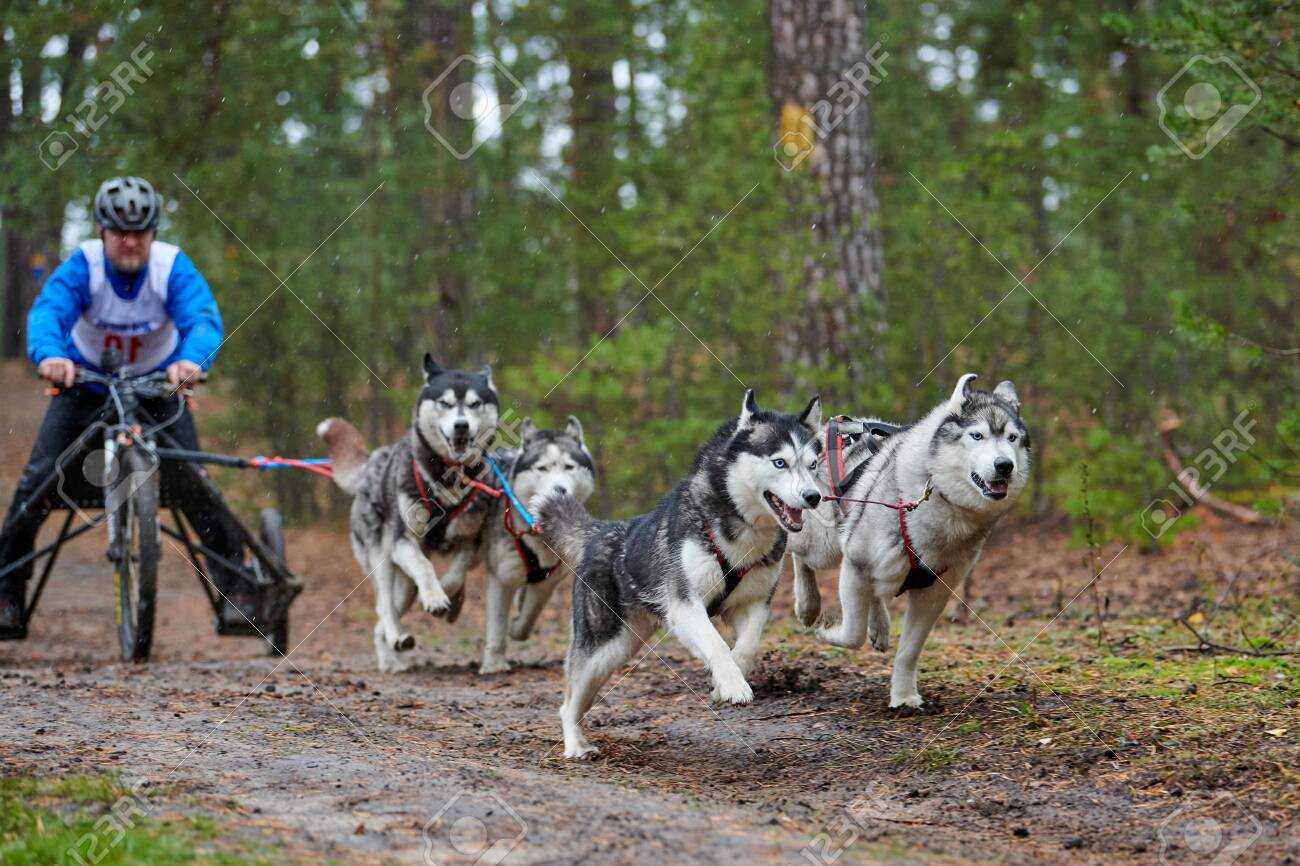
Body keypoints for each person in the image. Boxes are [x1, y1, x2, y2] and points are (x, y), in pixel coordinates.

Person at [0, 176, 248, 639]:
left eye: (141, 232)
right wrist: (49, 355)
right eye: (120, 231)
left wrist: (192, 361)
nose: (131, 241)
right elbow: (48, 312)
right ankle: (7, 592)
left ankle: (239, 592)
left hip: (158, 388)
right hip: (85, 385)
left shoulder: (172, 266)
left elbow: (202, 319)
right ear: (102, 230)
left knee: (196, 483)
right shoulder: (84, 265)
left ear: (153, 232)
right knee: (37, 481)